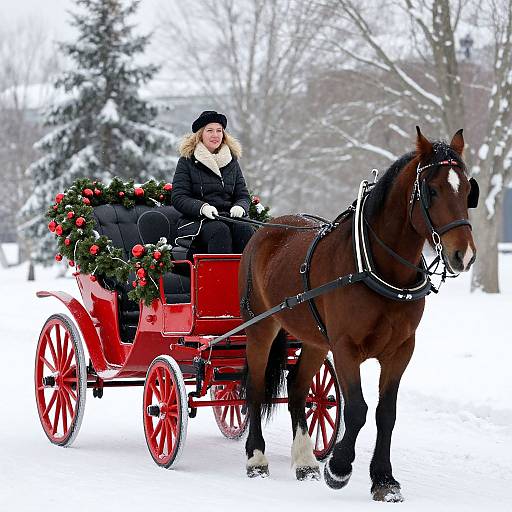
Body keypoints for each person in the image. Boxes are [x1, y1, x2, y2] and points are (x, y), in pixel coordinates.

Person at [171, 110, 254, 253]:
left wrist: (240, 206)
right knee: (219, 231)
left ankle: (245, 275)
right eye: (210, 130)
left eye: (219, 130)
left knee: (245, 229)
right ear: (200, 134)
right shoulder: (186, 161)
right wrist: (202, 208)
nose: (215, 135)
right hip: (198, 222)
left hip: (228, 218)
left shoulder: (232, 162)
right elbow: (178, 197)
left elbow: (243, 195)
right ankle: (219, 275)